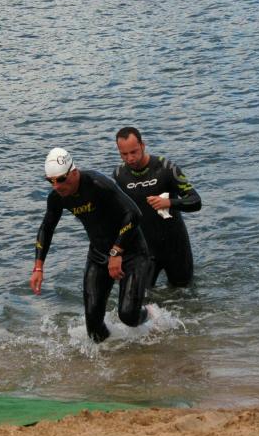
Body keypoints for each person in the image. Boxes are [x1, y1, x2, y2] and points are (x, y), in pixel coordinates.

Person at [31, 147, 153, 343]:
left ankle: (150, 313)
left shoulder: (98, 184)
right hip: (98, 254)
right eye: (50, 181)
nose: (56, 186)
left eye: (60, 179)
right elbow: (47, 227)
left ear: (73, 172)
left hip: (131, 252)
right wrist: (38, 267)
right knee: (94, 331)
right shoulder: (57, 197)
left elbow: (134, 214)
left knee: (129, 316)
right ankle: (114, 353)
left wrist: (116, 252)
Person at [113, 127, 202, 288]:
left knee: (184, 295)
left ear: (143, 145)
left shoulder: (166, 168)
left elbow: (196, 201)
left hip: (175, 247)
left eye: (134, 152)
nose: (130, 158)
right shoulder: (119, 175)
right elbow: (118, 216)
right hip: (144, 250)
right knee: (139, 297)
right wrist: (117, 250)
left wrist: (170, 203)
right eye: (124, 154)